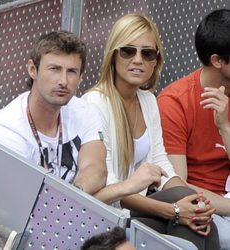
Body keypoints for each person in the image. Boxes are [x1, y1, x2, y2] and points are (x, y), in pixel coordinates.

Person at [83, 13, 219, 250]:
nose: (138, 60)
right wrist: (176, 210)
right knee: (190, 217)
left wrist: (194, 201)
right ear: (113, 56)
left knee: (197, 214)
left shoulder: (147, 101)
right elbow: (113, 191)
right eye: (128, 51)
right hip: (109, 217)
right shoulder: (95, 105)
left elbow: (161, 164)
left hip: (138, 207)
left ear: (156, 61)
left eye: (147, 53)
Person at [0, 31, 107, 195]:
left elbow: (97, 170)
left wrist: (74, 195)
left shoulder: (84, 111)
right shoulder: (3, 131)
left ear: (81, 77)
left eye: (72, 71)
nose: (63, 81)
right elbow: (22, 201)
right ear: (32, 70)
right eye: (54, 69)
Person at [157, 9, 230, 250]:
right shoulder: (175, 101)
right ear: (218, 61)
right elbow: (179, 187)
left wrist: (224, 127)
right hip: (204, 207)